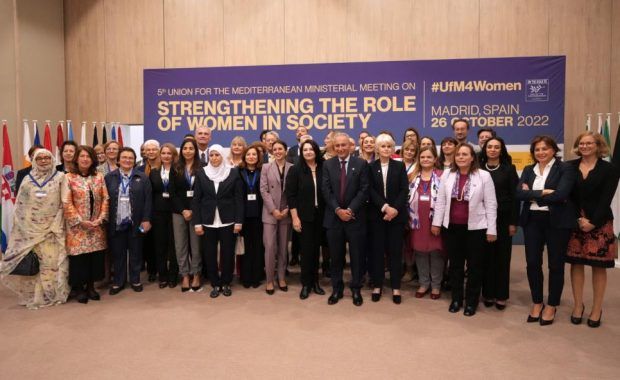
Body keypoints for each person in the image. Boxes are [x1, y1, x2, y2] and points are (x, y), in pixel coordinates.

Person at [517, 135, 576, 325]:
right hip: (532, 220)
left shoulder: (565, 168)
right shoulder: (528, 169)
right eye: (537, 150)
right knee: (532, 263)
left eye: (545, 149)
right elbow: (519, 193)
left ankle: (552, 305)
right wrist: (543, 193)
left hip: (556, 221)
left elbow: (561, 195)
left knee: (555, 265)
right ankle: (537, 302)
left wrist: (531, 195)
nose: (541, 152)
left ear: (553, 150)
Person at [432, 143, 497, 317]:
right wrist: (437, 223)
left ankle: (471, 302)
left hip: (476, 228)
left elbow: (491, 204)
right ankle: (456, 299)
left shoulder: (484, 176)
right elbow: (440, 201)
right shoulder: (447, 174)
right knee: (455, 266)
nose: (460, 157)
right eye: (458, 154)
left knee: (475, 266)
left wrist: (492, 229)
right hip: (452, 227)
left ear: (472, 157)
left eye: (464, 154)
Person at [0, 148, 69, 309]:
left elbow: (64, 202)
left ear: (52, 159)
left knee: (51, 263)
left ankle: (53, 293)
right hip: (31, 230)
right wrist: (23, 228)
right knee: (34, 263)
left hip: (53, 229)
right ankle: (36, 295)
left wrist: (56, 224)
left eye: (47, 158)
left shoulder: (60, 177)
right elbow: (20, 206)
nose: (44, 161)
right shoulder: (27, 180)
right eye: (40, 158)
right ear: (34, 161)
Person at [566, 132, 619, 328]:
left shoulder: (610, 169)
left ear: (598, 146)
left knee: (598, 267)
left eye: (589, 143)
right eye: (582, 143)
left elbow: (607, 198)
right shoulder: (569, 167)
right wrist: (579, 219)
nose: (585, 146)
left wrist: (593, 222)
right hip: (576, 222)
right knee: (576, 264)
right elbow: (568, 196)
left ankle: (596, 309)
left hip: (600, 223)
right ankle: (578, 306)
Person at [322, 132, 369, 306]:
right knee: (336, 257)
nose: (341, 148)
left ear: (350, 146)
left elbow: (364, 190)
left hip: (355, 218)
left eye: (344, 145)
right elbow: (326, 190)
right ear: (333, 148)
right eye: (337, 146)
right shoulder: (327, 164)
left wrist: (349, 210)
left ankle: (356, 288)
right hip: (334, 218)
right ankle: (337, 288)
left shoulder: (361, 163)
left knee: (357, 256)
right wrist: (338, 210)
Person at [192, 144, 243, 298]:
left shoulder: (233, 173)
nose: (214, 158)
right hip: (207, 221)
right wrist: (197, 223)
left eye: (217, 155)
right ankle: (215, 283)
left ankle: (226, 282)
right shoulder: (202, 173)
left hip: (228, 220)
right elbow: (196, 200)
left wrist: (239, 221)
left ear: (222, 156)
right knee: (210, 254)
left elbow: (239, 199)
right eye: (212, 155)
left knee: (228, 253)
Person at [62, 146, 109, 304]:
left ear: (92, 159)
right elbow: (66, 202)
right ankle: (79, 289)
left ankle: (91, 287)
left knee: (94, 258)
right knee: (79, 259)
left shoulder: (99, 177)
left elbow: (105, 199)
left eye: (88, 157)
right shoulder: (68, 178)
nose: (85, 159)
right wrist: (79, 221)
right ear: (76, 158)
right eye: (82, 156)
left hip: (96, 226)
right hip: (77, 228)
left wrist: (101, 218)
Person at [367, 134, 408, 304]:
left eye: (388, 146)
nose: (385, 149)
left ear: (392, 149)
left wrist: (394, 209)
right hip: (377, 216)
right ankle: (378, 286)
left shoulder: (399, 166)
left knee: (395, 253)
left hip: (396, 217)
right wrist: (385, 207)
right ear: (377, 148)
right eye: (382, 146)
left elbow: (404, 190)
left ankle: (396, 287)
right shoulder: (370, 167)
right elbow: (369, 190)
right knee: (377, 252)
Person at [105, 147, 152, 295]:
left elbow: (148, 200)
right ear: (118, 160)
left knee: (136, 252)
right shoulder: (109, 177)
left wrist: (146, 219)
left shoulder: (142, 177)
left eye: (131, 158)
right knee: (118, 254)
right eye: (124, 157)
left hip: (136, 222)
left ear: (135, 160)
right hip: (116, 222)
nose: (127, 160)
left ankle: (135, 279)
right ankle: (118, 282)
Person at [479, 137, 519, 310]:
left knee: (502, 258)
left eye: (497, 147)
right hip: (482, 219)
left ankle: (501, 295)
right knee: (486, 258)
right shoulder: (478, 169)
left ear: (501, 150)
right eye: (490, 147)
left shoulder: (509, 170)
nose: (493, 150)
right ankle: (488, 293)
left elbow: (515, 197)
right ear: (485, 149)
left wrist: (513, 222)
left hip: (503, 219)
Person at [287, 139, 326, 299]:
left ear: (316, 151)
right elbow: (291, 196)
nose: (308, 152)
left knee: (317, 251)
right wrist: (295, 218)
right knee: (306, 251)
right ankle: (306, 284)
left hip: (322, 216)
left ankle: (315, 282)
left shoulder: (325, 167)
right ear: (301, 153)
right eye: (305, 150)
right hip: (304, 217)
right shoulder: (296, 170)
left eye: (311, 149)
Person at [409, 146, 444, 299]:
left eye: (429, 157)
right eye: (422, 157)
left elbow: (445, 201)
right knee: (420, 251)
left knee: (436, 252)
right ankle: (424, 283)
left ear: (435, 159)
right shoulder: (412, 176)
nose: (425, 160)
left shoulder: (442, 176)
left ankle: (436, 285)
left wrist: (438, 222)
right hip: (417, 221)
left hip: (435, 220)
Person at [260, 139, 293, 295]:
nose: (278, 151)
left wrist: (287, 209)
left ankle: (281, 278)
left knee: (282, 248)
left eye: (281, 149)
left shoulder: (293, 168)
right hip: (270, 213)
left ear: (286, 151)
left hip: (286, 213)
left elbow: (294, 191)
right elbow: (263, 191)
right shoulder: (266, 168)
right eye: (275, 149)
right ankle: (269, 280)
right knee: (270, 248)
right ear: (271, 151)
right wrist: (273, 210)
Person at [170, 139, 203, 292]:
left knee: (196, 245)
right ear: (181, 150)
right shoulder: (175, 167)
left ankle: (196, 273)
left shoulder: (202, 167)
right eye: (185, 148)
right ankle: (184, 275)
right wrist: (183, 210)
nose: (188, 151)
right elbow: (173, 192)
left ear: (195, 150)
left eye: (191, 148)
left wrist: (193, 210)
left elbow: (203, 191)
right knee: (180, 245)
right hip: (179, 212)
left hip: (197, 212)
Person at [149, 143, 180, 288]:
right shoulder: (154, 172)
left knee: (174, 245)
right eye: (164, 153)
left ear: (174, 156)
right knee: (159, 245)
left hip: (175, 212)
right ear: (160, 156)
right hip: (158, 213)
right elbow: (150, 195)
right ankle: (163, 276)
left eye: (169, 153)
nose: (166, 156)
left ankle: (173, 275)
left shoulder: (178, 172)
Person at [238, 143, 265, 288]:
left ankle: (257, 276)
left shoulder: (263, 171)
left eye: (254, 154)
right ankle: (245, 277)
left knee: (258, 246)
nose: (251, 157)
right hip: (243, 215)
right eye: (248, 154)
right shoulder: (238, 171)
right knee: (245, 247)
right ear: (244, 157)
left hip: (260, 214)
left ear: (258, 157)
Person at [138, 139, 160, 282]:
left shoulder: (163, 167)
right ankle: (151, 270)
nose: (151, 152)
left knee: (159, 241)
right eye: (148, 150)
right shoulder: (139, 169)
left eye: (154, 149)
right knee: (146, 242)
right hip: (143, 211)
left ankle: (161, 268)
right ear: (144, 152)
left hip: (159, 211)